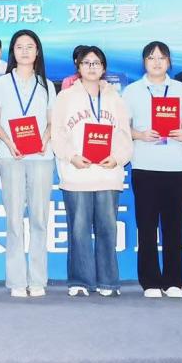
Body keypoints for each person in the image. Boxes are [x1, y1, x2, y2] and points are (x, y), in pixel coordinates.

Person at [51, 45, 133, 298]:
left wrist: (117, 158)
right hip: (77, 174)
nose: (91, 67)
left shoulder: (116, 99)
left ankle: (108, 281)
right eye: (86, 62)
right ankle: (80, 280)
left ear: (104, 68)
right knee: (79, 230)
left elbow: (124, 135)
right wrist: (72, 157)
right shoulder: (65, 98)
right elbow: (58, 133)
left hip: (108, 174)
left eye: (96, 63)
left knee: (108, 229)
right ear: (78, 67)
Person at [122, 41, 182, 298]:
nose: (157, 62)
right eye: (151, 58)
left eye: (162, 58)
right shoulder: (132, 91)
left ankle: (173, 282)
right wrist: (140, 134)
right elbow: (123, 128)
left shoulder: (180, 89)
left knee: (174, 226)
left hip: (176, 166)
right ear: (144, 62)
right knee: (147, 226)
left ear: (169, 62)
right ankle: (150, 282)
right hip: (145, 166)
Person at [0, 29, 56, 298]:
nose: (25, 51)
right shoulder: (2, 84)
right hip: (11, 157)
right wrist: (10, 143)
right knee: (15, 220)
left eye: (30, 46)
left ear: (37, 51)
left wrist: (44, 140)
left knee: (39, 219)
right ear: (13, 52)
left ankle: (38, 279)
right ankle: (17, 280)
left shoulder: (47, 84)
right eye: (20, 46)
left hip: (41, 157)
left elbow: (52, 121)